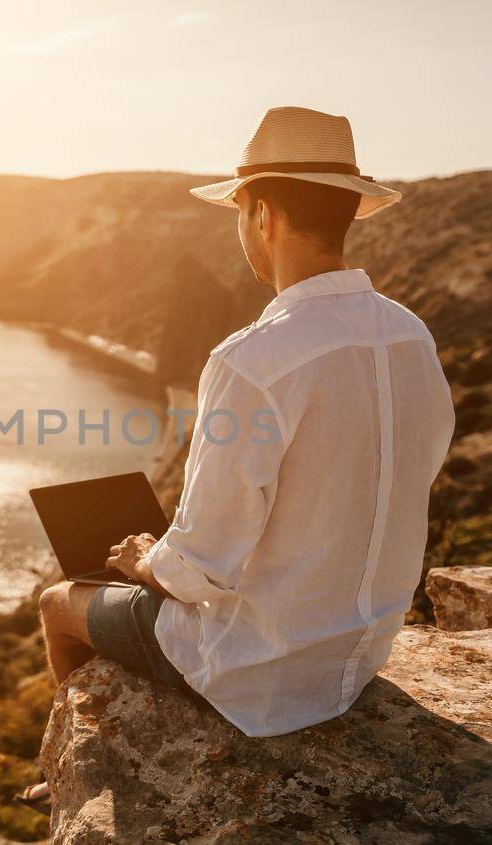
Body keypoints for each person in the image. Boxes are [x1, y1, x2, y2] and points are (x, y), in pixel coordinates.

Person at [35, 106, 454, 762]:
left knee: (58, 600)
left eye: (239, 212)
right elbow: (411, 469)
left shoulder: (252, 360)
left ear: (263, 215)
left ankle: (68, 768)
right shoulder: (410, 334)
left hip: (258, 670)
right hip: (360, 651)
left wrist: (145, 559)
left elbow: (200, 569)